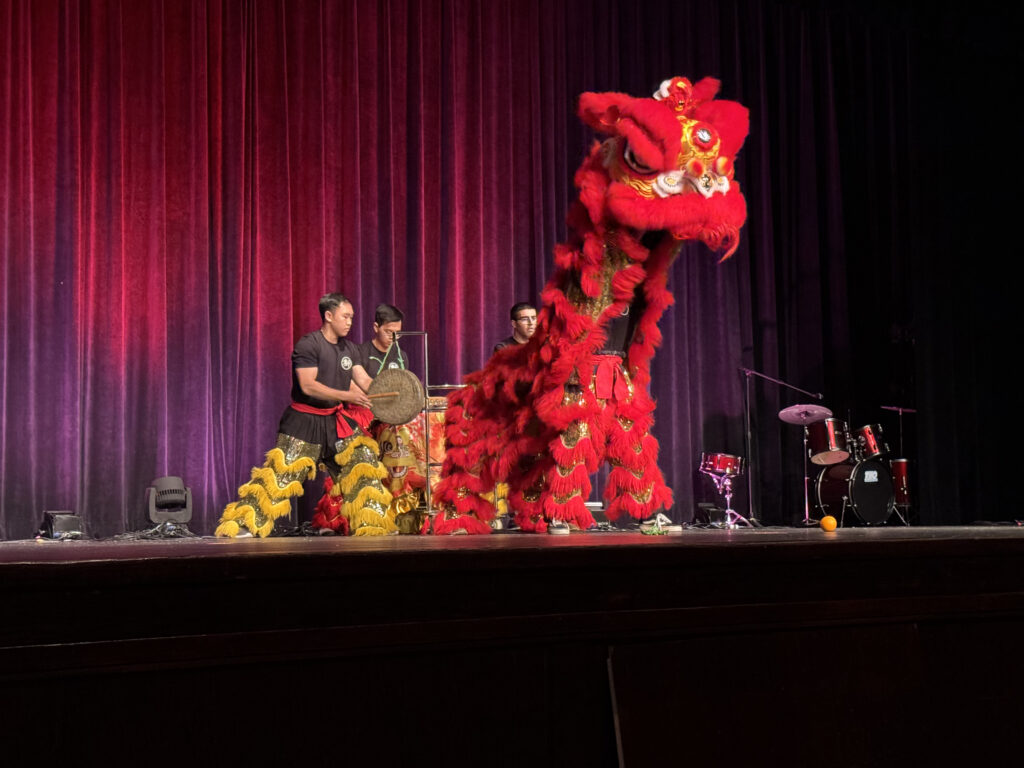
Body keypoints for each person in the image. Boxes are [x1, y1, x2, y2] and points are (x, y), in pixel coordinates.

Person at [215, 293, 395, 538]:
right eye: (345, 316)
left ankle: (372, 525)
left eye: (352, 317)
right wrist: (348, 395)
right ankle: (244, 524)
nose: (350, 321)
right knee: (281, 476)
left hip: (335, 421)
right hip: (303, 422)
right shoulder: (308, 345)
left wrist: (392, 396)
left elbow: (363, 381)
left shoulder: (349, 349)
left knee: (364, 463)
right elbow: (308, 386)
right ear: (328, 316)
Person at [358, 303, 405, 378]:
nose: (393, 337)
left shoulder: (401, 357)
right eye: (389, 332)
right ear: (376, 327)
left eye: (398, 333)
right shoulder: (360, 353)